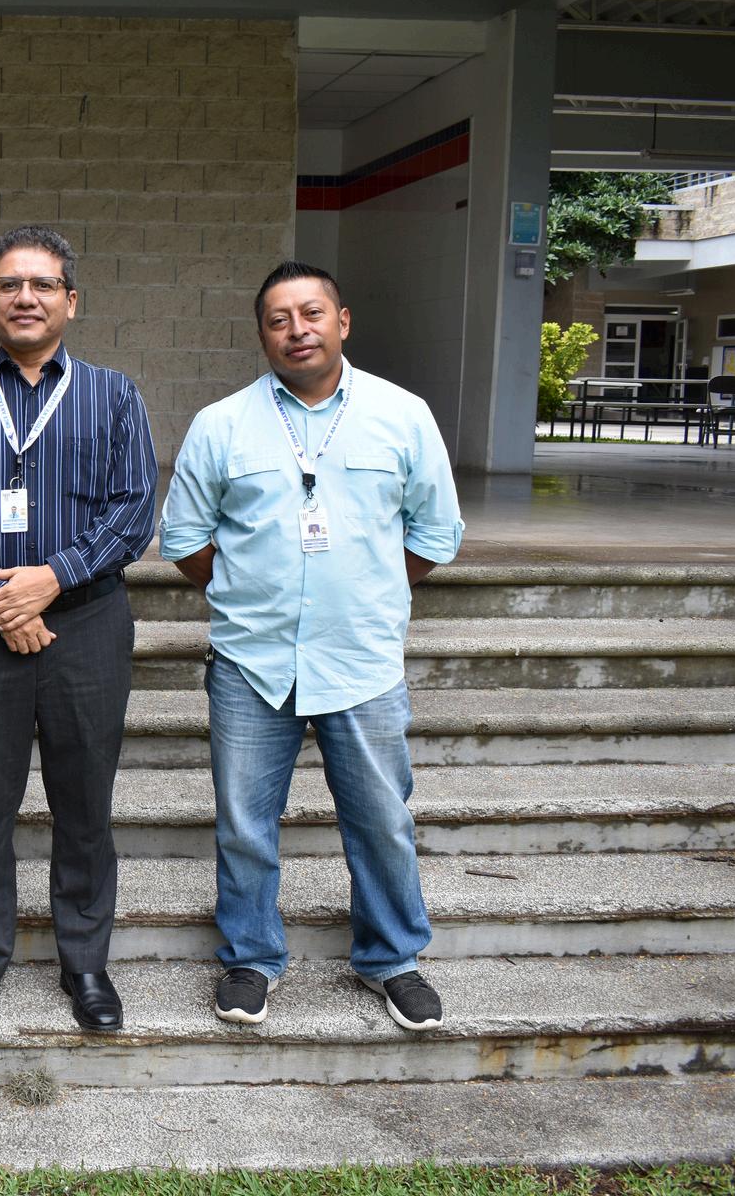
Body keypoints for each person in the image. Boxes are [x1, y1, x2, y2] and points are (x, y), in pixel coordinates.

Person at [159, 260, 464, 1032]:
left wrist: (370, 592)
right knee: (244, 823)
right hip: (252, 661)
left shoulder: (402, 415)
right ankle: (251, 958)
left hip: (361, 660)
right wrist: (247, 593)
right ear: (262, 335)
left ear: (342, 321)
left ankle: (392, 958)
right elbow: (185, 539)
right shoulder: (222, 424)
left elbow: (436, 531)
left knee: (382, 820)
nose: (297, 330)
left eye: (312, 314)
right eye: (278, 320)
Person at [0, 225, 158, 1034]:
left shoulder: (114, 394)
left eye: (43, 284)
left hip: (87, 623)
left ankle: (85, 962)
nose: (26, 297)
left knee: (84, 800)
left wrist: (51, 580)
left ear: (71, 301)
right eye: (10, 285)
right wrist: (2, 596)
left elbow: (134, 509)